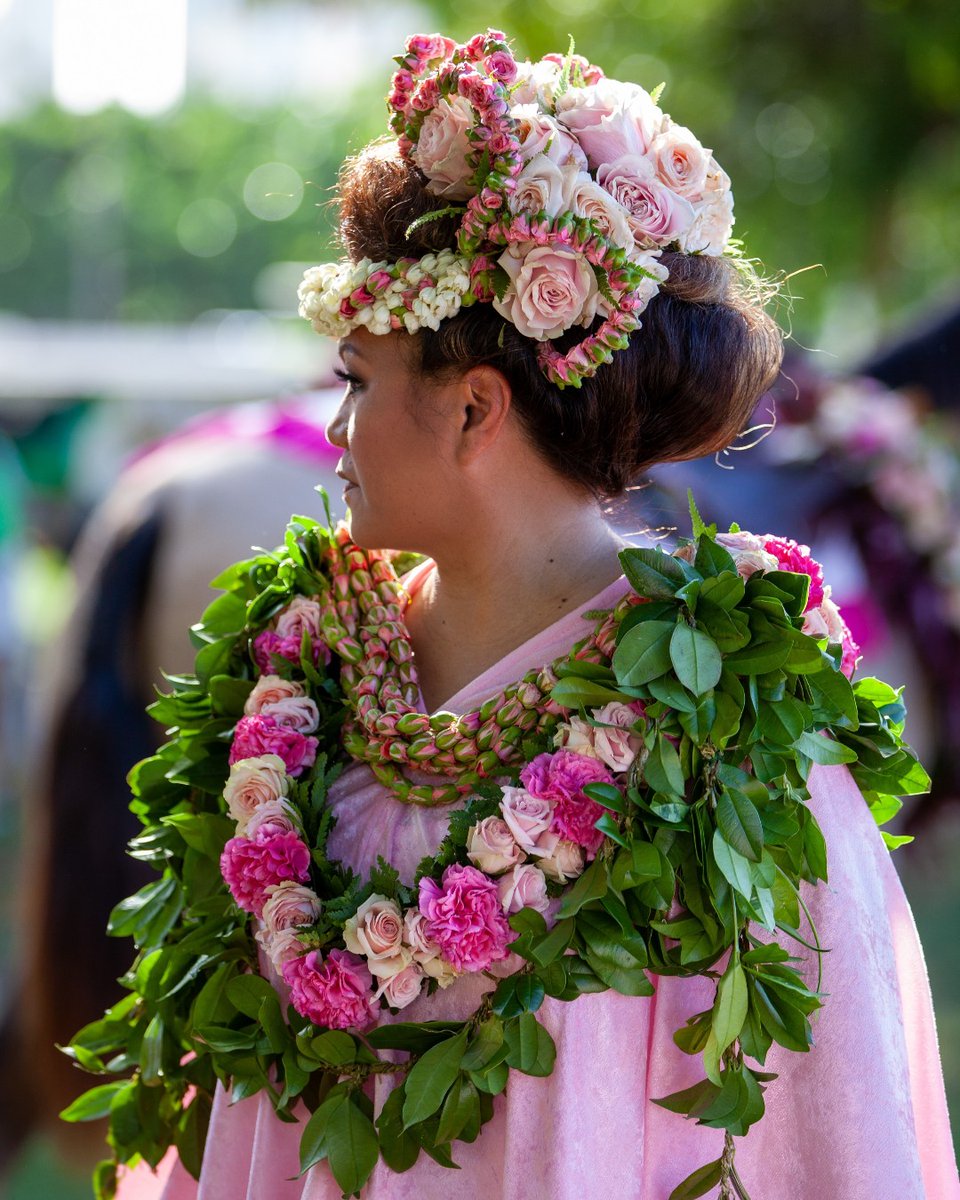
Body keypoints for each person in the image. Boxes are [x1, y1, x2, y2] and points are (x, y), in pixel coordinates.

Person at [96, 31, 956, 1200]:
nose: (334, 429)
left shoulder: (739, 745)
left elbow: (837, 1148)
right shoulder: (293, 694)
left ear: (472, 411)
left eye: (356, 378)